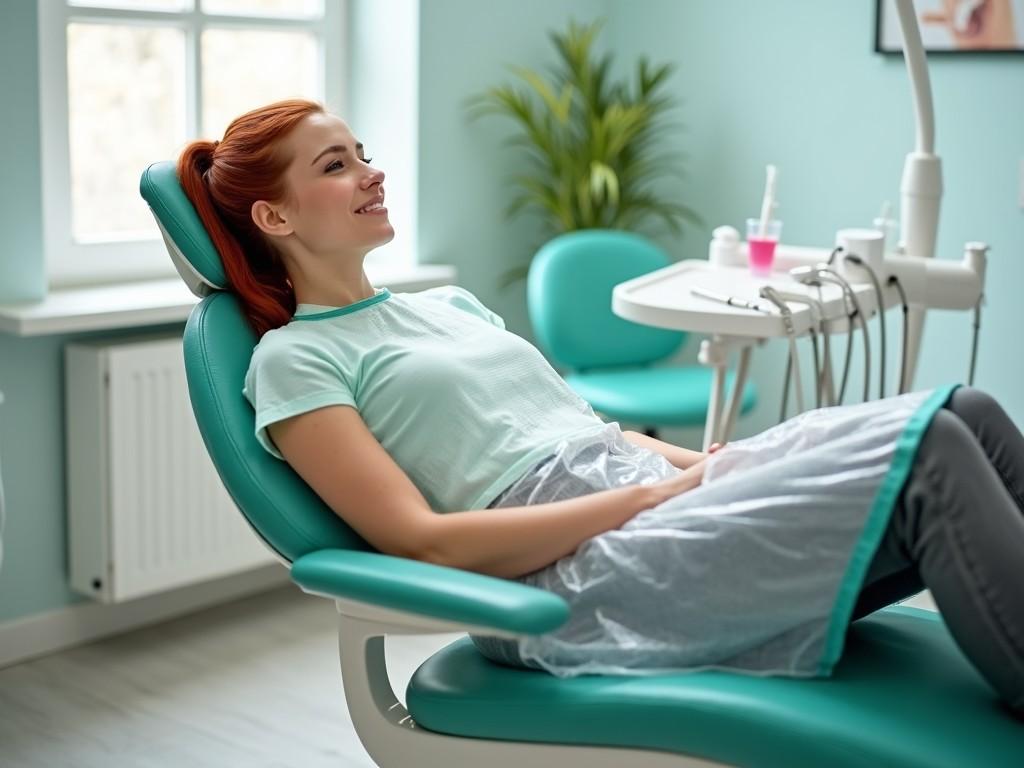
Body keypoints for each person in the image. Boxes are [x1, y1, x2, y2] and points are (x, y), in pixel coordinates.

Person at [177, 99, 1024, 720]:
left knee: (969, 412)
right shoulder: (297, 359)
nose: (372, 170)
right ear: (273, 215)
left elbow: (593, 431)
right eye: (336, 165)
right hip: (576, 569)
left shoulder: (449, 306)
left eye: (361, 151)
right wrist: (648, 499)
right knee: (937, 461)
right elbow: (420, 540)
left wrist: (718, 465)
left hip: (641, 500)